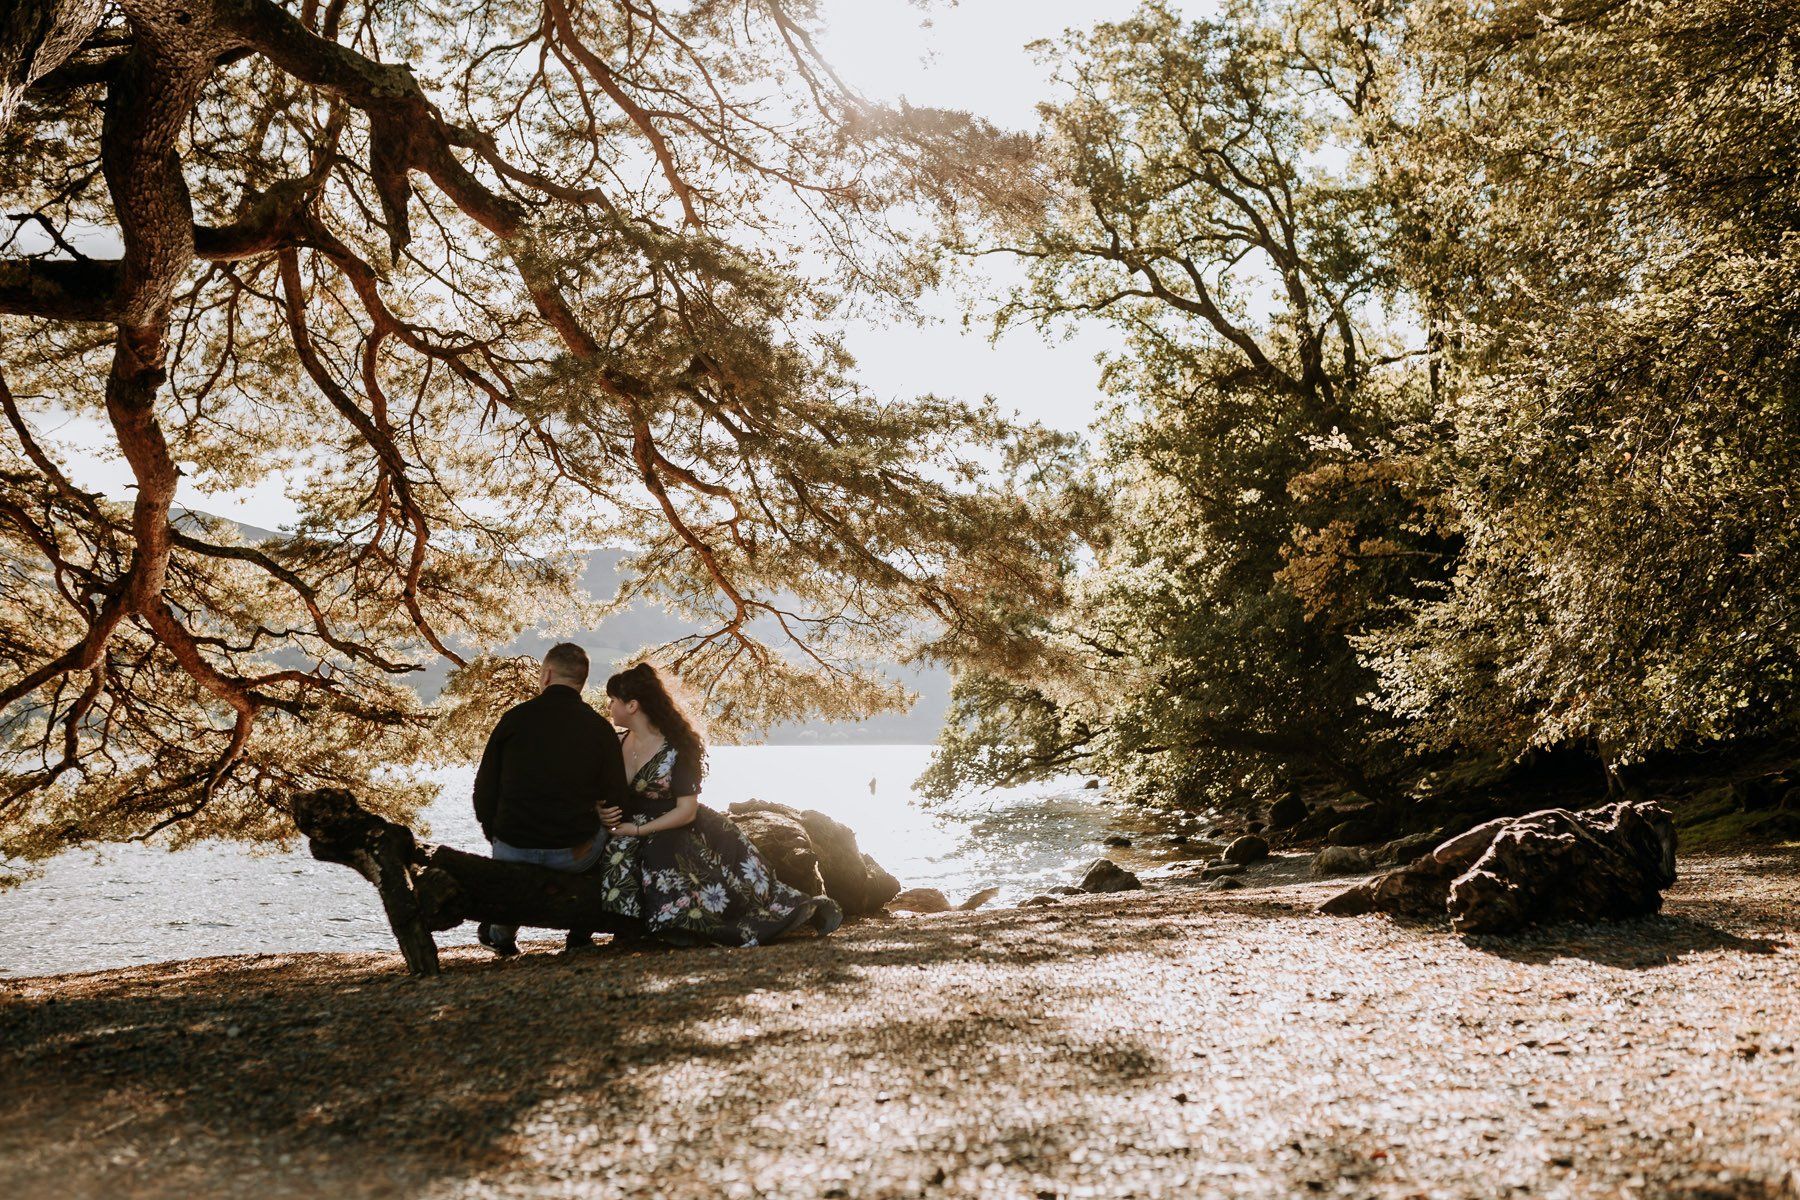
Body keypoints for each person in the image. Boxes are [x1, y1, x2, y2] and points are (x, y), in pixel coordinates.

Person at [596, 662, 842, 945]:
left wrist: (639, 831)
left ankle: (771, 916)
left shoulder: (678, 747)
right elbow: (597, 790)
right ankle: (629, 928)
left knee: (721, 879)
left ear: (632, 706)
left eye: (613, 701)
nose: (609, 707)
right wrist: (600, 810)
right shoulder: (614, 742)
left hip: (676, 822)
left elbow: (686, 811)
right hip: (629, 825)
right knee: (618, 859)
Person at [471, 642, 627, 956]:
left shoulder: (514, 720)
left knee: (514, 874)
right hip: (573, 853)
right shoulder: (599, 729)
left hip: (512, 846)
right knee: (611, 839)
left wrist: (496, 836)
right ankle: (580, 935)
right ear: (582, 680)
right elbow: (616, 798)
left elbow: (483, 791)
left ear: (547, 675)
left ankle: (501, 936)